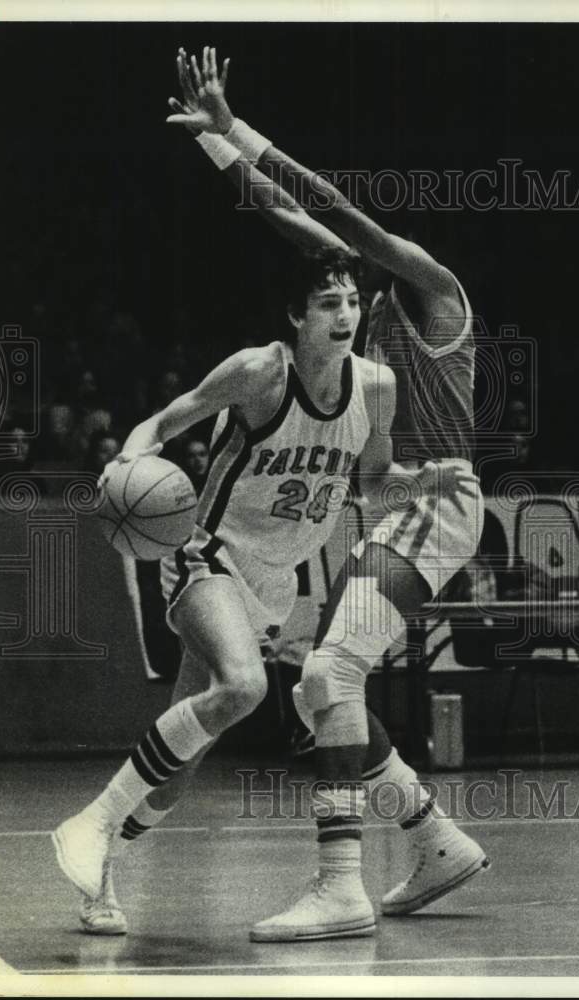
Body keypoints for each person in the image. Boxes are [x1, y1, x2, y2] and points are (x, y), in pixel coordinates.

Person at [51, 92, 454, 939]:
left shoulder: (374, 384)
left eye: (351, 301)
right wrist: (128, 459)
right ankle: (88, 823)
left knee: (185, 753)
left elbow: (370, 484)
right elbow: (164, 421)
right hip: (209, 557)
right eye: (329, 303)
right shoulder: (258, 371)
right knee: (245, 687)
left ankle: (102, 875)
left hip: (275, 585)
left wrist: (416, 485)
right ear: (296, 316)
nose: (345, 313)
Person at [165, 47, 490, 941]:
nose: (336, 294)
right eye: (329, 292)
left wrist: (241, 127)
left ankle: (341, 885)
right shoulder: (353, 298)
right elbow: (288, 220)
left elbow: (335, 210)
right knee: (319, 692)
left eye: (345, 283)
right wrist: (215, 148)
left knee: (327, 671)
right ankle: (436, 839)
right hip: (388, 499)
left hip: (436, 499)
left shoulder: (432, 289)